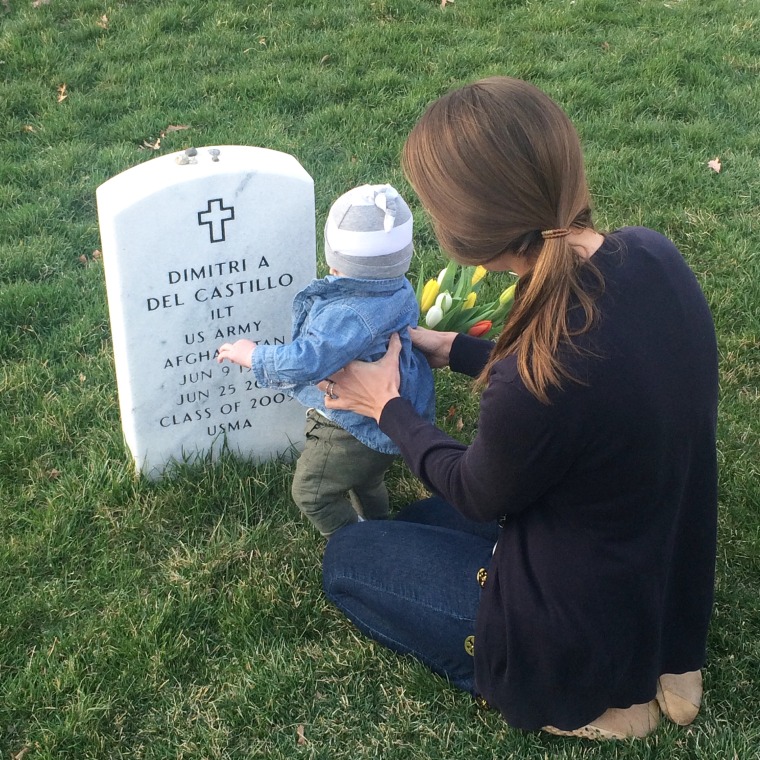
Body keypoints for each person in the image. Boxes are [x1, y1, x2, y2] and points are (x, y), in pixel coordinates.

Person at [318, 77, 718, 739]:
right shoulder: (652, 254)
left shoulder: (540, 372)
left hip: (572, 629)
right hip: (658, 563)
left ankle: (611, 708)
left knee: (354, 556)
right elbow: (596, 386)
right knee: (420, 521)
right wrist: (461, 350)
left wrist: (385, 405)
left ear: (465, 232)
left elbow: (477, 492)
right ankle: (672, 667)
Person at [217, 184, 435, 538]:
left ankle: (359, 545)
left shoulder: (348, 314)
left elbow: (307, 361)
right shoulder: (397, 287)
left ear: (336, 258)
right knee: (367, 480)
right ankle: (383, 528)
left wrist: (252, 355)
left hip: (350, 426)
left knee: (312, 493)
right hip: (390, 420)